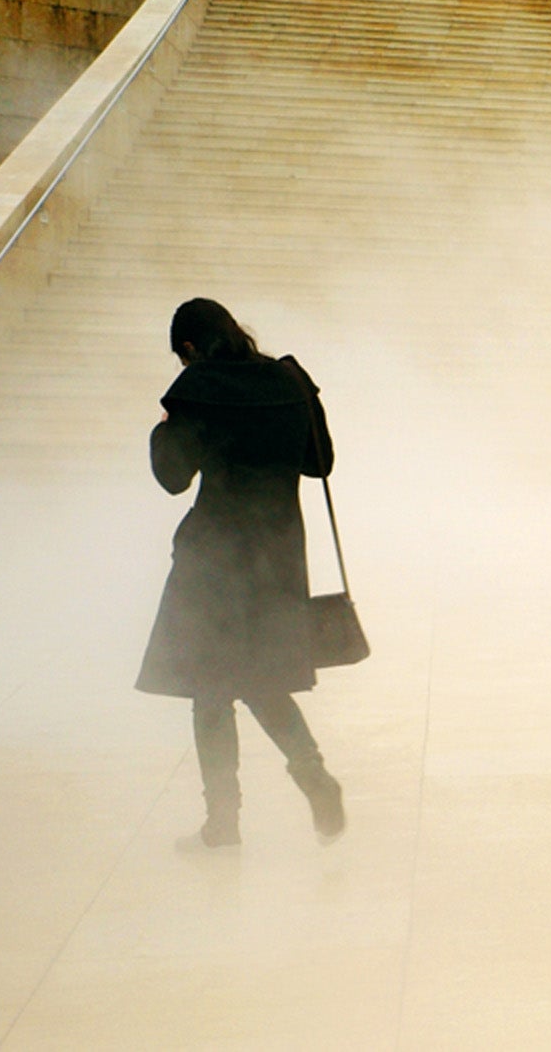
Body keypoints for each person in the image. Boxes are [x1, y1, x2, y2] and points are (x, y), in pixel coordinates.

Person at [136, 297, 345, 850]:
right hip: (276, 559)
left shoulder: (199, 388)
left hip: (214, 561)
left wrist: (163, 429)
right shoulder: (287, 381)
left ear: (188, 347)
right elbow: (318, 462)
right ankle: (312, 773)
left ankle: (222, 823)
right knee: (261, 681)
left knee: (211, 691)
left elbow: (172, 477)